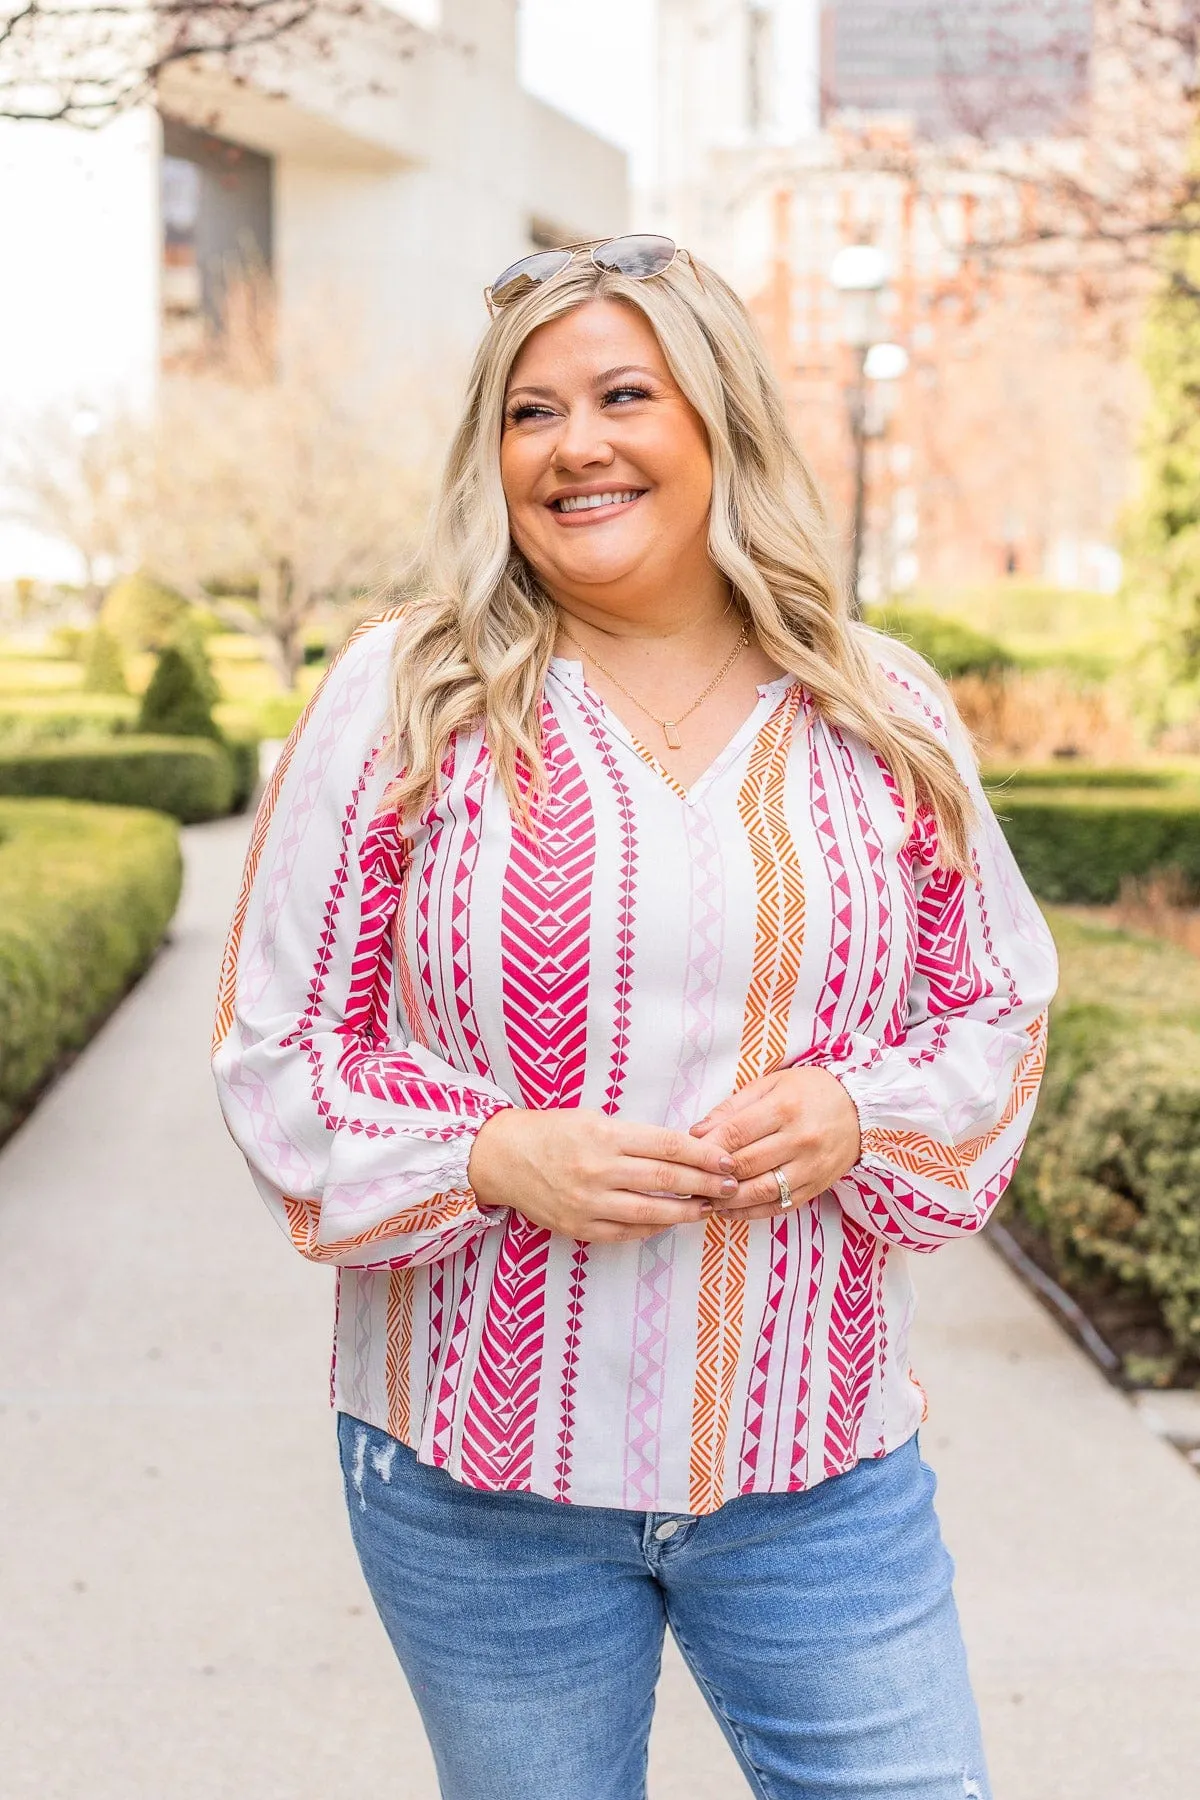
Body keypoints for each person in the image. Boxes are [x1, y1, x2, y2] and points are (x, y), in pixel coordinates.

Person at [212, 235, 1057, 1800]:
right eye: (531, 414)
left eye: (623, 394)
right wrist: (489, 1154)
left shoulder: (883, 711)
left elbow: (996, 1008)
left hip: (818, 1471)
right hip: (479, 1485)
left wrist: (857, 1112)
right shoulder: (407, 696)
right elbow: (279, 1055)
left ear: (719, 421)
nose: (575, 444)